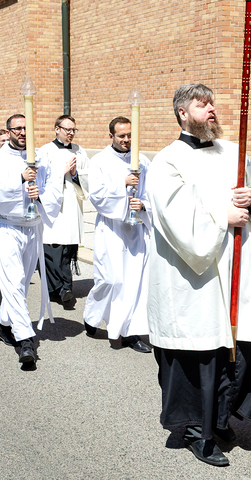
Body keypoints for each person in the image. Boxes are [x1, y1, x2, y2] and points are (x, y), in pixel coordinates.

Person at [147, 83, 251, 467]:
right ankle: (194, 430)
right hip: (195, 275)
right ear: (182, 113)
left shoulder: (234, 152)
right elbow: (174, 215)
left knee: (250, 346)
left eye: (212, 104)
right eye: (201, 104)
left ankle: (219, 418)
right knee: (199, 355)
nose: (211, 110)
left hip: (239, 268)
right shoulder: (167, 161)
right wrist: (224, 216)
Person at [0, 113, 63, 369]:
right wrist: (20, 179)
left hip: (32, 226)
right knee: (13, 281)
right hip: (5, 225)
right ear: (8, 132)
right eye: (17, 128)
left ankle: (4, 324)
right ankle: (26, 338)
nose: (23, 132)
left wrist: (41, 195)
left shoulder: (42, 158)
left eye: (26, 128)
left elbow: (55, 188)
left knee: (22, 282)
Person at [83, 116, 152, 353]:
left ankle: (130, 332)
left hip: (136, 229)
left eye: (130, 135)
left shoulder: (142, 160)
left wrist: (143, 205)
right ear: (111, 135)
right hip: (111, 228)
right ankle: (92, 315)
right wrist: (122, 183)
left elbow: (152, 192)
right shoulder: (100, 161)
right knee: (110, 280)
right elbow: (96, 195)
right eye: (121, 136)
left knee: (134, 281)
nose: (126, 140)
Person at [36, 114, 90, 306]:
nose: (71, 133)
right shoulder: (45, 151)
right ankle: (59, 288)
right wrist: (62, 172)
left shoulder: (80, 151)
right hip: (54, 205)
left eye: (74, 129)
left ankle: (64, 288)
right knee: (52, 247)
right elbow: (41, 179)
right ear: (57, 129)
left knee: (68, 248)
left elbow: (88, 177)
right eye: (68, 129)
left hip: (72, 204)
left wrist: (75, 175)